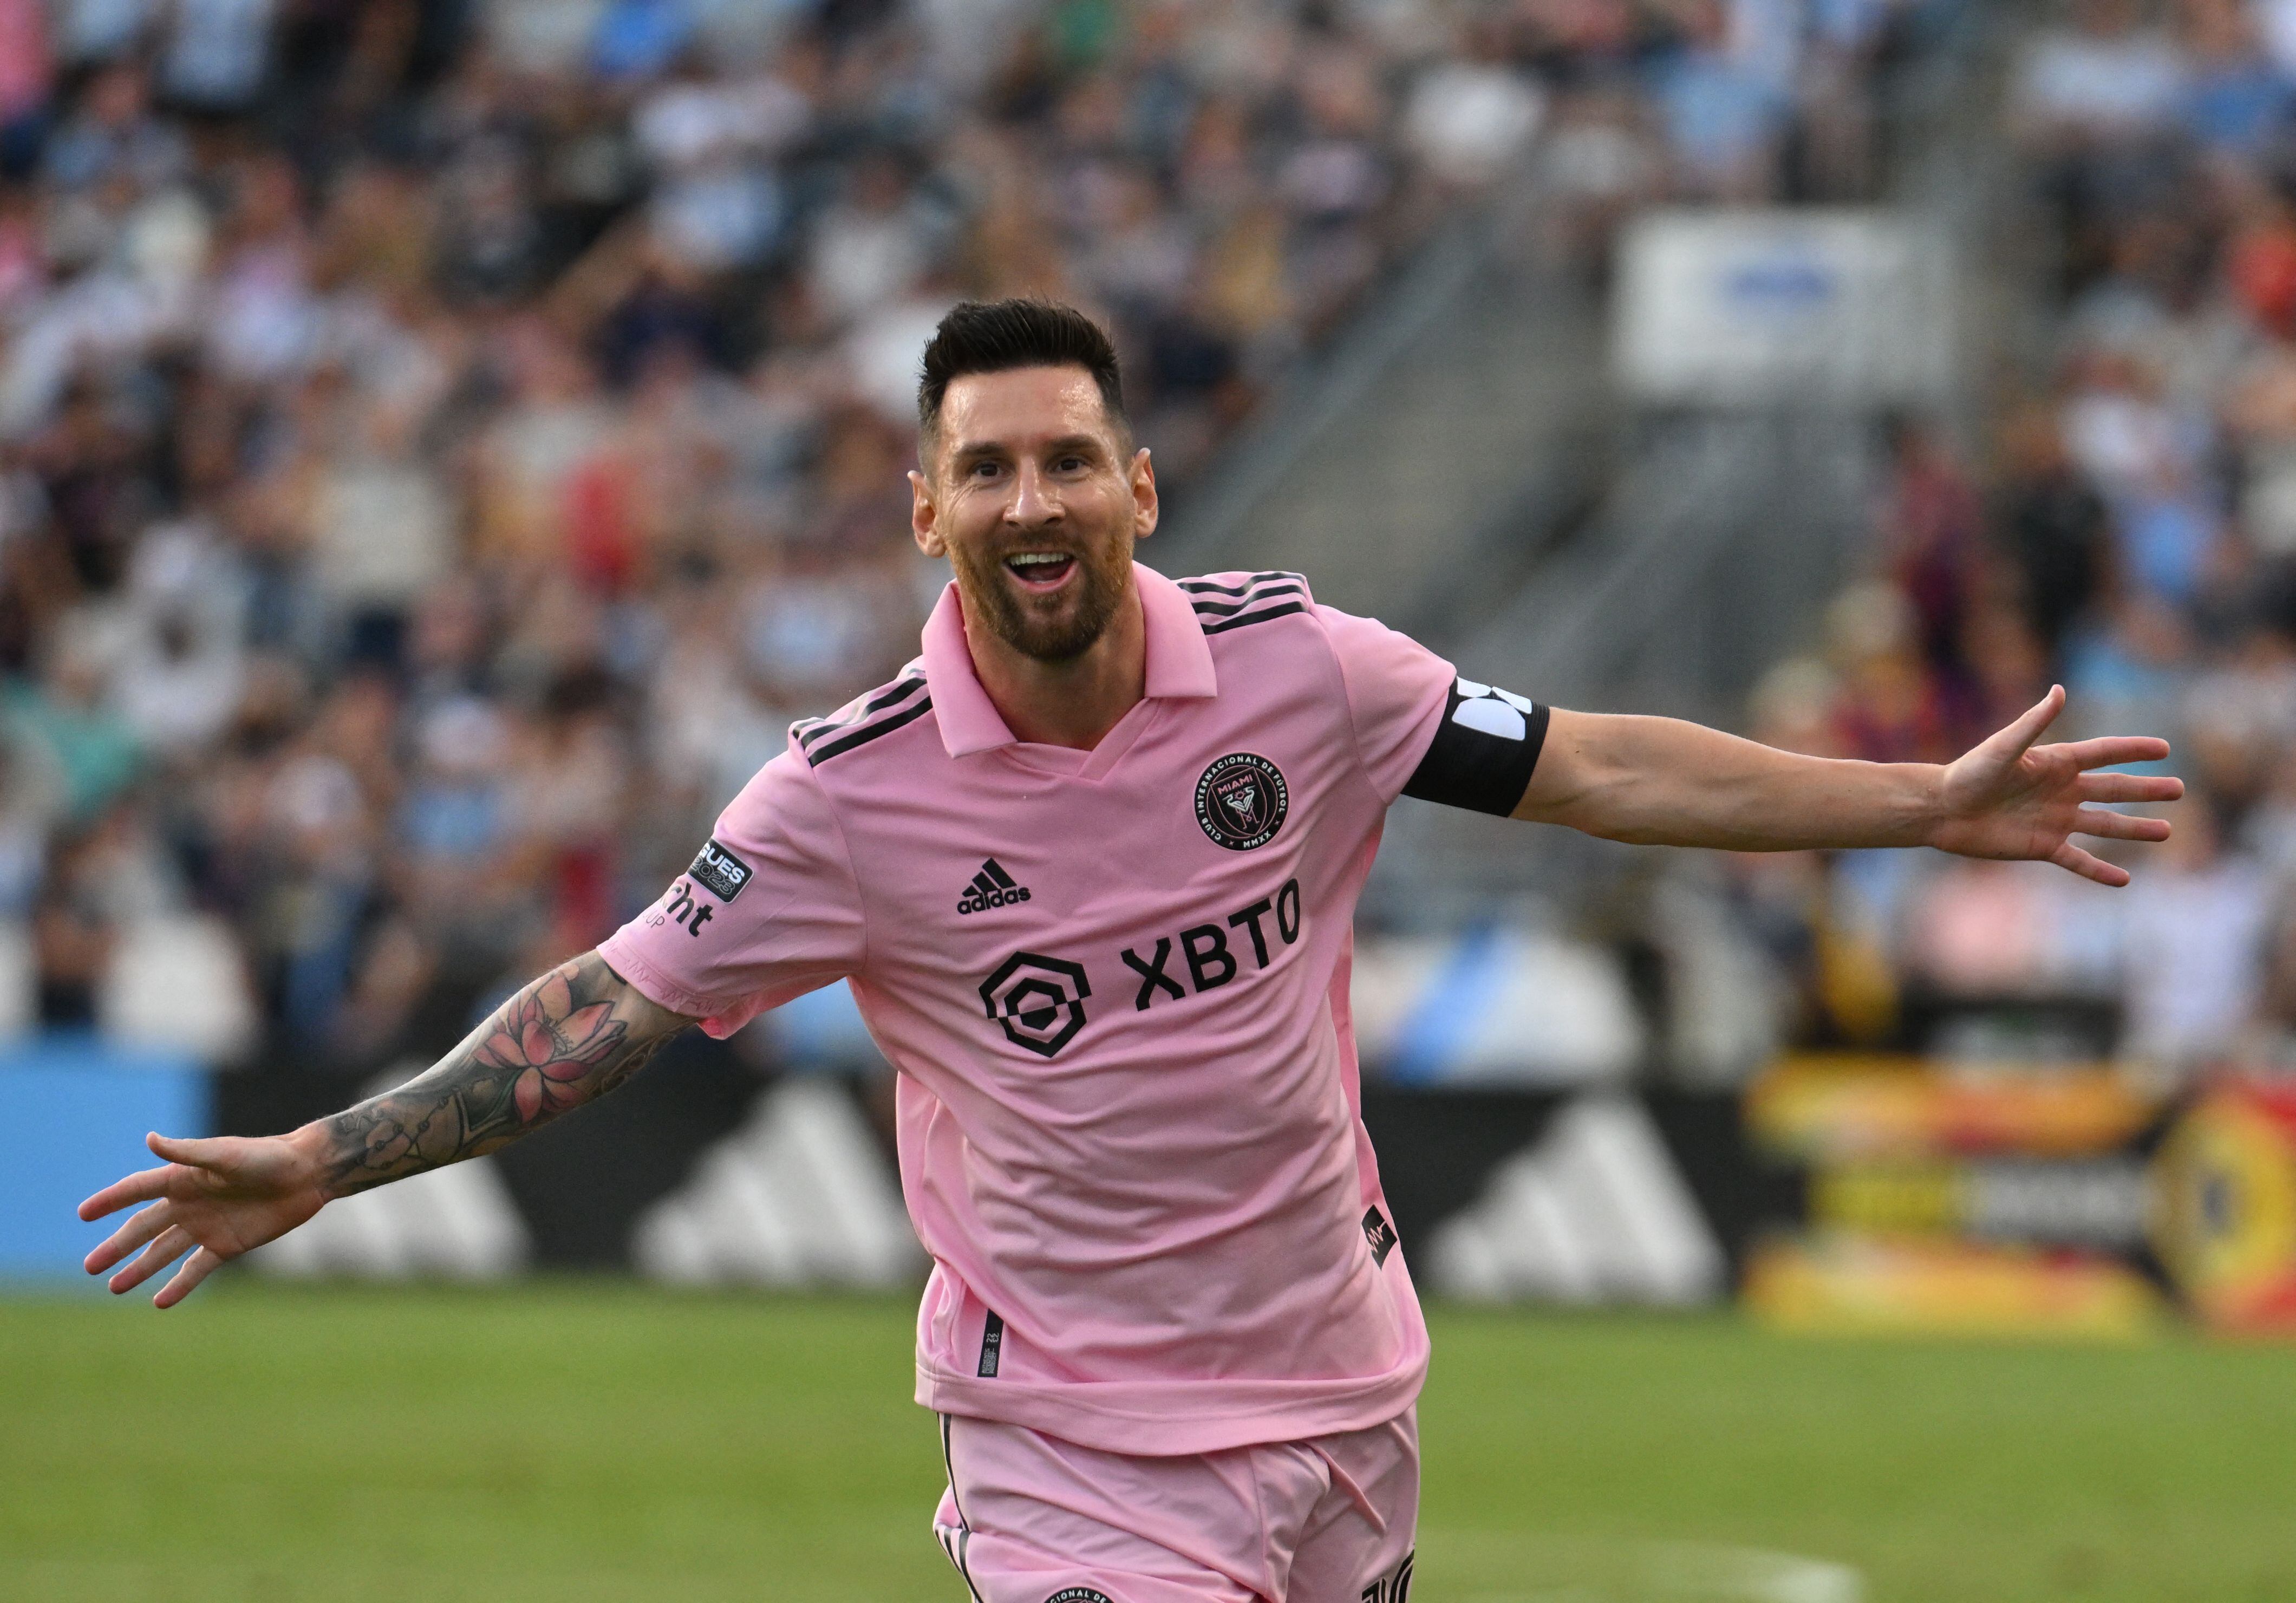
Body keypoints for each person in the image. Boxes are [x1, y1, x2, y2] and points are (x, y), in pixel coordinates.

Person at [79, 299, 2183, 1603]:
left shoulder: (1307, 677)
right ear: (926, 512)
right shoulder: (845, 795)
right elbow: (604, 1010)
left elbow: (1601, 763)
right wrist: (323, 1155)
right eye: (982, 464)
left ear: (1137, 485)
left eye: (1065, 456)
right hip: (1072, 1432)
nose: (1028, 494)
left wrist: (1913, 802)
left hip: (1347, 1377)